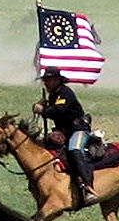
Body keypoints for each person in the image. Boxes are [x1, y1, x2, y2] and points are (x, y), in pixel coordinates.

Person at [32, 67, 98, 205]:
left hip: (78, 130)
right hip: (64, 131)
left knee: (74, 150)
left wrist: (42, 110)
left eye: (49, 80)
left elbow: (58, 111)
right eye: (45, 80)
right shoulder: (53, 95)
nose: (46, 83)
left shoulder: (65, 93)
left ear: (57, 80)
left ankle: (87, 188)